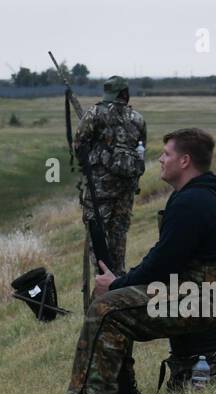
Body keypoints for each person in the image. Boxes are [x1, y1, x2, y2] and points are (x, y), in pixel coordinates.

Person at [68, 127, 216, 394]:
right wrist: (123, 284)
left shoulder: (191, 202)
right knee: (115, 301)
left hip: (203, 301)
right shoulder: (206, 197)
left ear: (185, 161)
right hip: (212, 298)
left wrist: (116, 283)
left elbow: (161, 265)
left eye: (166, 154)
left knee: (106, 308)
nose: (160, 160)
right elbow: (167, 262)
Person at [76, 75, 148, 276]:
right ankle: (118, 278)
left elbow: (79, 147)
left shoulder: (93, 114)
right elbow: (141, 151)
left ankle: (103, 280)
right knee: (119, 236)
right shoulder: (139, 119)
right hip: (126, 190)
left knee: (97, 235)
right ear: (125, 94)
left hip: (99, 190)